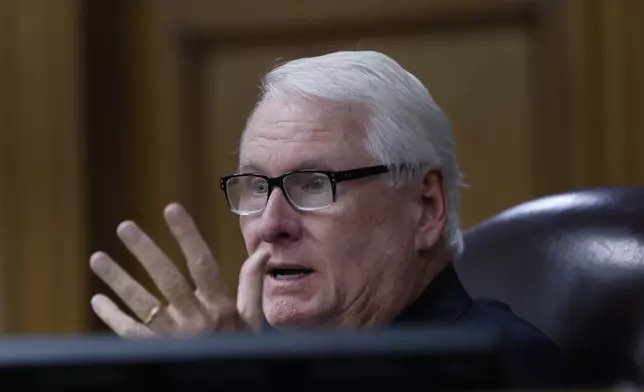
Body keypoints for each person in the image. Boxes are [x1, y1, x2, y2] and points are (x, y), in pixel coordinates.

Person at [90, 51, 568, 384]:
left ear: (426, 206)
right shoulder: (245, 351)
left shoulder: (508, 366)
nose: (271, 224)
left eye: (314, 184)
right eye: (258, 187)